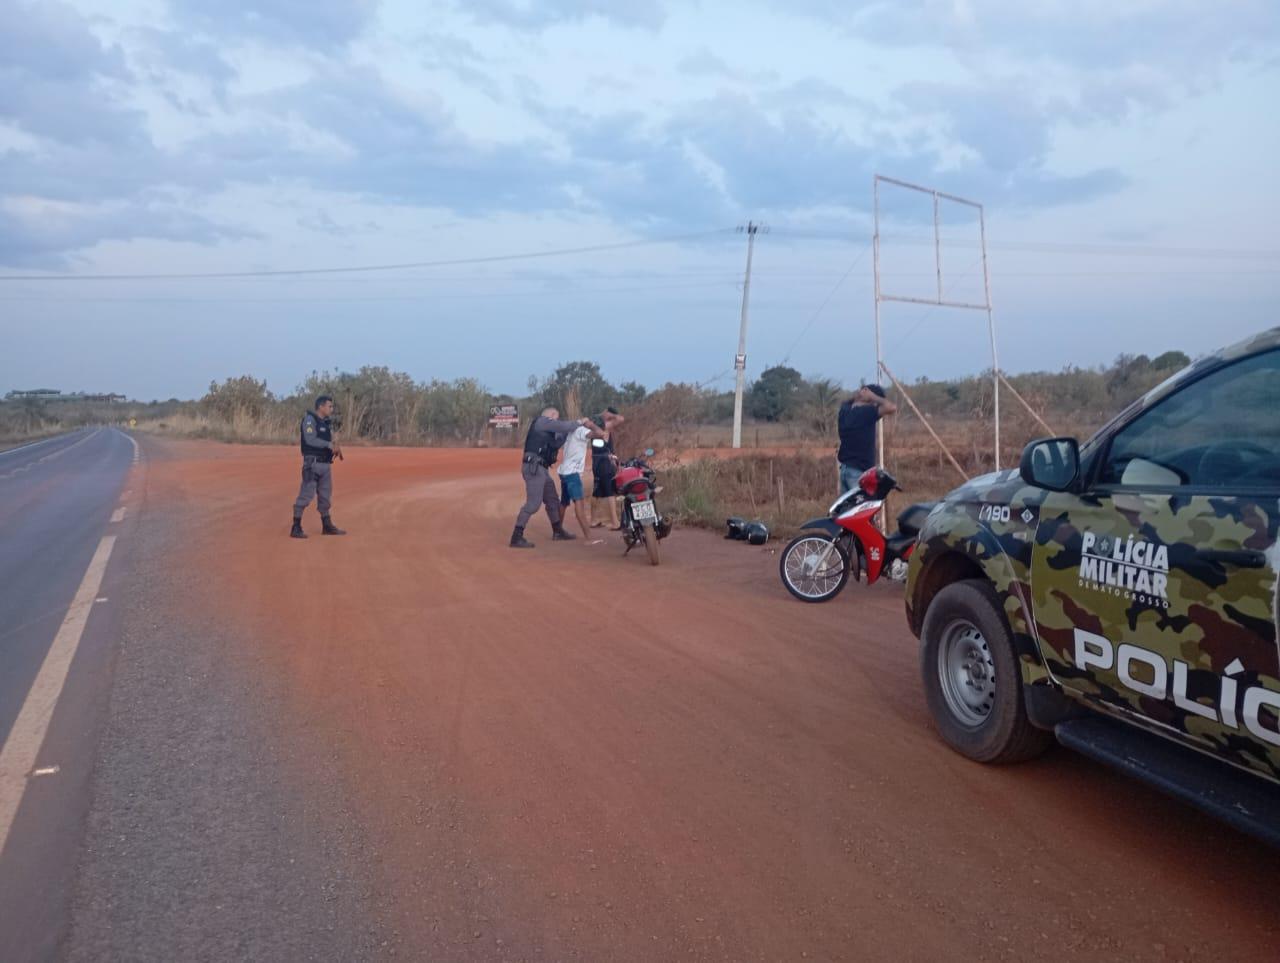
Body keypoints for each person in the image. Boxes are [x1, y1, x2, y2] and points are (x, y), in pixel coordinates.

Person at [511, 407, 595, 549]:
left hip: (541, 469)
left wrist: (569, 432)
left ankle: (557, 531)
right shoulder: (542, 421)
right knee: (533, 504)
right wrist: (581, 421)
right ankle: (516, 536)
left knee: (552, 501)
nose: (557, 421)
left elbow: (557, 442)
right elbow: (563, 426)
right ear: (552, 415)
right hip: (534, 468)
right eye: (557, 417)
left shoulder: (547, 431)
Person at [291, 395, 346, 538]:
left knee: (325, 496)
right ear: (321, 407)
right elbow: (310, 439)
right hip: (312, 463)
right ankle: (295, 526)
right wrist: (329, 445)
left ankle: (326, 525)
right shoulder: (310, 420)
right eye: (330, 406)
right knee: (306, 495)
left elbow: (329, 441)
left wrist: (335, 448)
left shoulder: (326, 423)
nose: (331, 409)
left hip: (325, 464)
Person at [837, 383, 897, 493]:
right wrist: (874, 396)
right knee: (864, 509)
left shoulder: (844, 410)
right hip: (860, 473)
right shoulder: (866, 413)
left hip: (845, 470)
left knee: (847, 510)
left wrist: (864, 394)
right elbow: (892, 407)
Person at [557, 416, 607, 542]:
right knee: (579, 505)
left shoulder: (571, 431)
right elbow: (600, 433)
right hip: (573, 474)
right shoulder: (581, 430)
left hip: (564, 471)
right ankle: (589, 538)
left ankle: (557, 531)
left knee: (563, 502)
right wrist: (590, 424)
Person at [590, 408, 624, 530]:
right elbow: (620, 419)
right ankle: (615, 522)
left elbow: (620, 419)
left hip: (598, 463)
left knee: (598, 491)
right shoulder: (603, 426)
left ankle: (594, 520)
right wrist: (609, 414)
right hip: (604, 463)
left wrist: (605, 414)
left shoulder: (598, 428)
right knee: (607, 492)